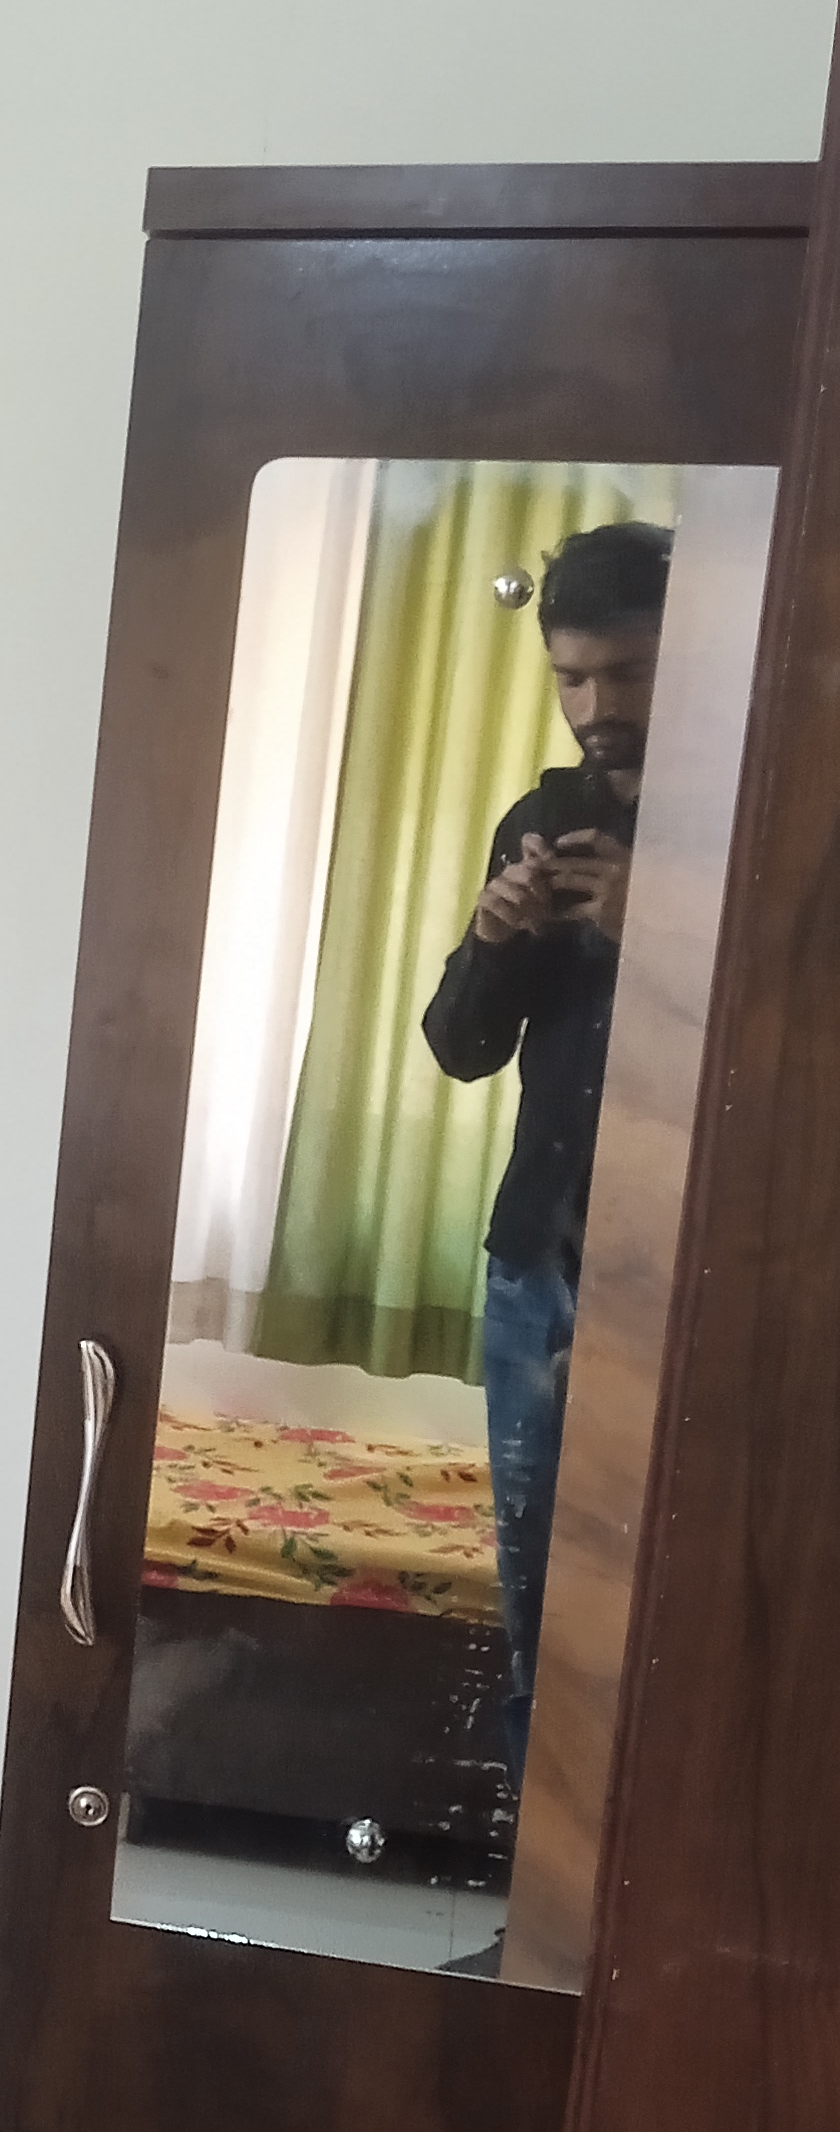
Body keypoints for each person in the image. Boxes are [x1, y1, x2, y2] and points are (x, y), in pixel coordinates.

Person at [421, 516, 670, 1776]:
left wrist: (662, 932)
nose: (596, 707)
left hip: (682, 1286)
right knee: (538, 1611)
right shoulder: (544, 813)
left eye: (627, 673)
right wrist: (494, 936)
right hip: (534, 1273)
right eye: (572, 677)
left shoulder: (764, 820)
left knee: (664, 1613)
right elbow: (461, 1047)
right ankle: (536, 1877)